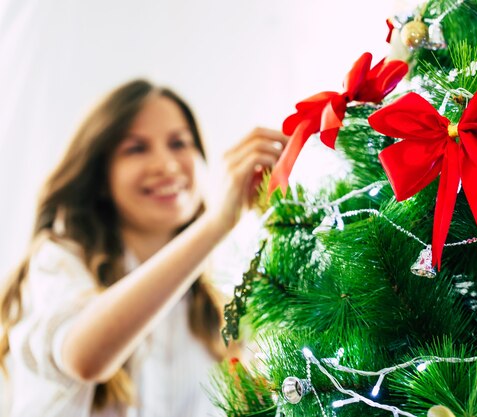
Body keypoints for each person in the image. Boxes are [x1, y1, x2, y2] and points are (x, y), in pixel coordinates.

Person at [0, 79, 287, 417]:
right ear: (101, 176)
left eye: (179, 143)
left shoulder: (219, 297)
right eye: (136, 148)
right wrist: (216, 224)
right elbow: (85, 358)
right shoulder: (59, 260)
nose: (166, 165)